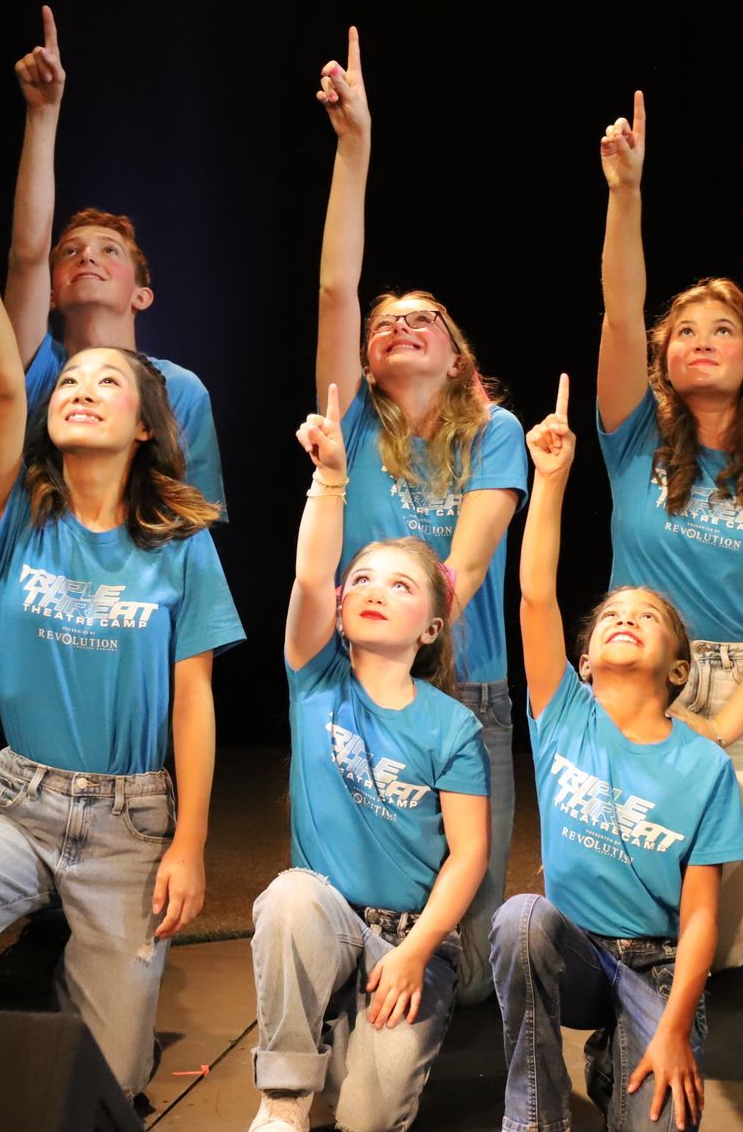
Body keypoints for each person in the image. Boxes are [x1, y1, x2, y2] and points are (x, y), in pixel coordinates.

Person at [0, 166, 243, 1102]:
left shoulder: (178, 547)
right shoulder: (17, 518)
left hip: (131, 819)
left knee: (107, 1088)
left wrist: (191, 841)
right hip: (20, 798)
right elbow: (6, 380)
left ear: (144, 422)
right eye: (70, 379)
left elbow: (196, 697)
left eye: (106, 382)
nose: (81, 387)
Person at [314, 27, 526, 1003]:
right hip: (355, 683)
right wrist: (353, 148)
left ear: (458, 356)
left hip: (465, 685)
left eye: (423, 317)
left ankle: (447, 1025)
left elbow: (473, 553)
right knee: (345, 892)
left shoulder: (495, 430)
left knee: (471, 934)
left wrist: (431, 602)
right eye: (385, 320)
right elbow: (335, 285)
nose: (398, 322)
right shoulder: (354, 419)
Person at [596, 92, 743, 972]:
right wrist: (625, 194)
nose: (698, 341)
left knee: (715, 942)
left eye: (720, 330)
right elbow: (619, 313)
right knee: (627, 900)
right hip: (632, 671)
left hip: (740, 688)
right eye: (682, 332)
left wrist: (723, 728)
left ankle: (729, 949)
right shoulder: (635, 438)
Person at [494, 374, 743, 1132]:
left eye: (646, 616)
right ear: (583, 662)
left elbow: (702, 917)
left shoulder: (705, 766)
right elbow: (536, 594)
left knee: (659, 1121)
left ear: (679, 668)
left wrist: (672, 1029)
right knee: (520, 919)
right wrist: (551, 479)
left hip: (657, 966)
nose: (625, 619)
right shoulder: (563, 713)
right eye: (611, 616)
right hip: (572, 951)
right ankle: (533, 1115)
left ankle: (622, 1051)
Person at [247, 382, 490, 1132]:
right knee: (288, 896)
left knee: (366, 1118)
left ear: (432, 628)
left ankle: (349, 1040)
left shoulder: (451, 725)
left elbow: (468, 856)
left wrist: (418, 951)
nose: (374, 591)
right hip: (328, 919)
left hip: (407, 938)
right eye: (363, 580)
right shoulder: (314, 677)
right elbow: (309, 574)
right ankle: (283, 1102)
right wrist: (330, 480)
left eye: (401, 585)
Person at [1, 6, 226, 511]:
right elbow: (26, 256)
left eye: (110, 251)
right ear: (52, 292)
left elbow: (195, 519)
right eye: (72, 252)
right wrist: (43, 114)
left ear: (141, 295)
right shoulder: (36, 369)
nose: (88, 257)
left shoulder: (180, 390)